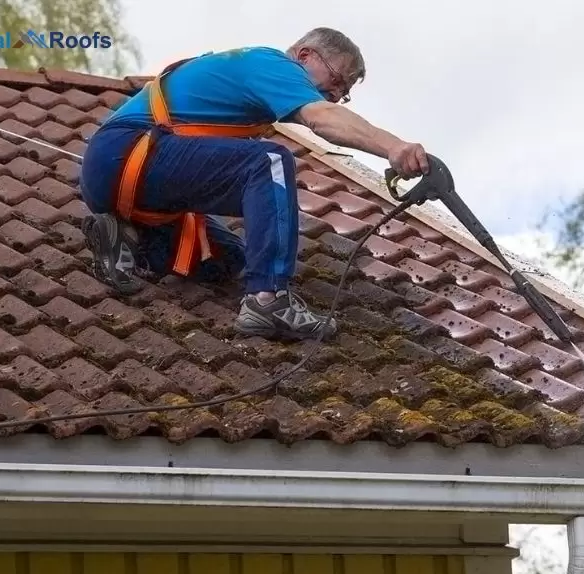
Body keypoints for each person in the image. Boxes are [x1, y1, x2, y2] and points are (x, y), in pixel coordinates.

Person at [78, 28, 429, 340]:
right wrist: (393, 147)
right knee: (269, 162)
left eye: (344, 92)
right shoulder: (272, 64)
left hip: (123, 180)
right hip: (128, 152)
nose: (335, 95)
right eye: (337, 80)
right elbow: (322, 119)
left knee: (227, 260)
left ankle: (125, 237)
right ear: (305, 55)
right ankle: (269, 299)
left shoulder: (244, 96)